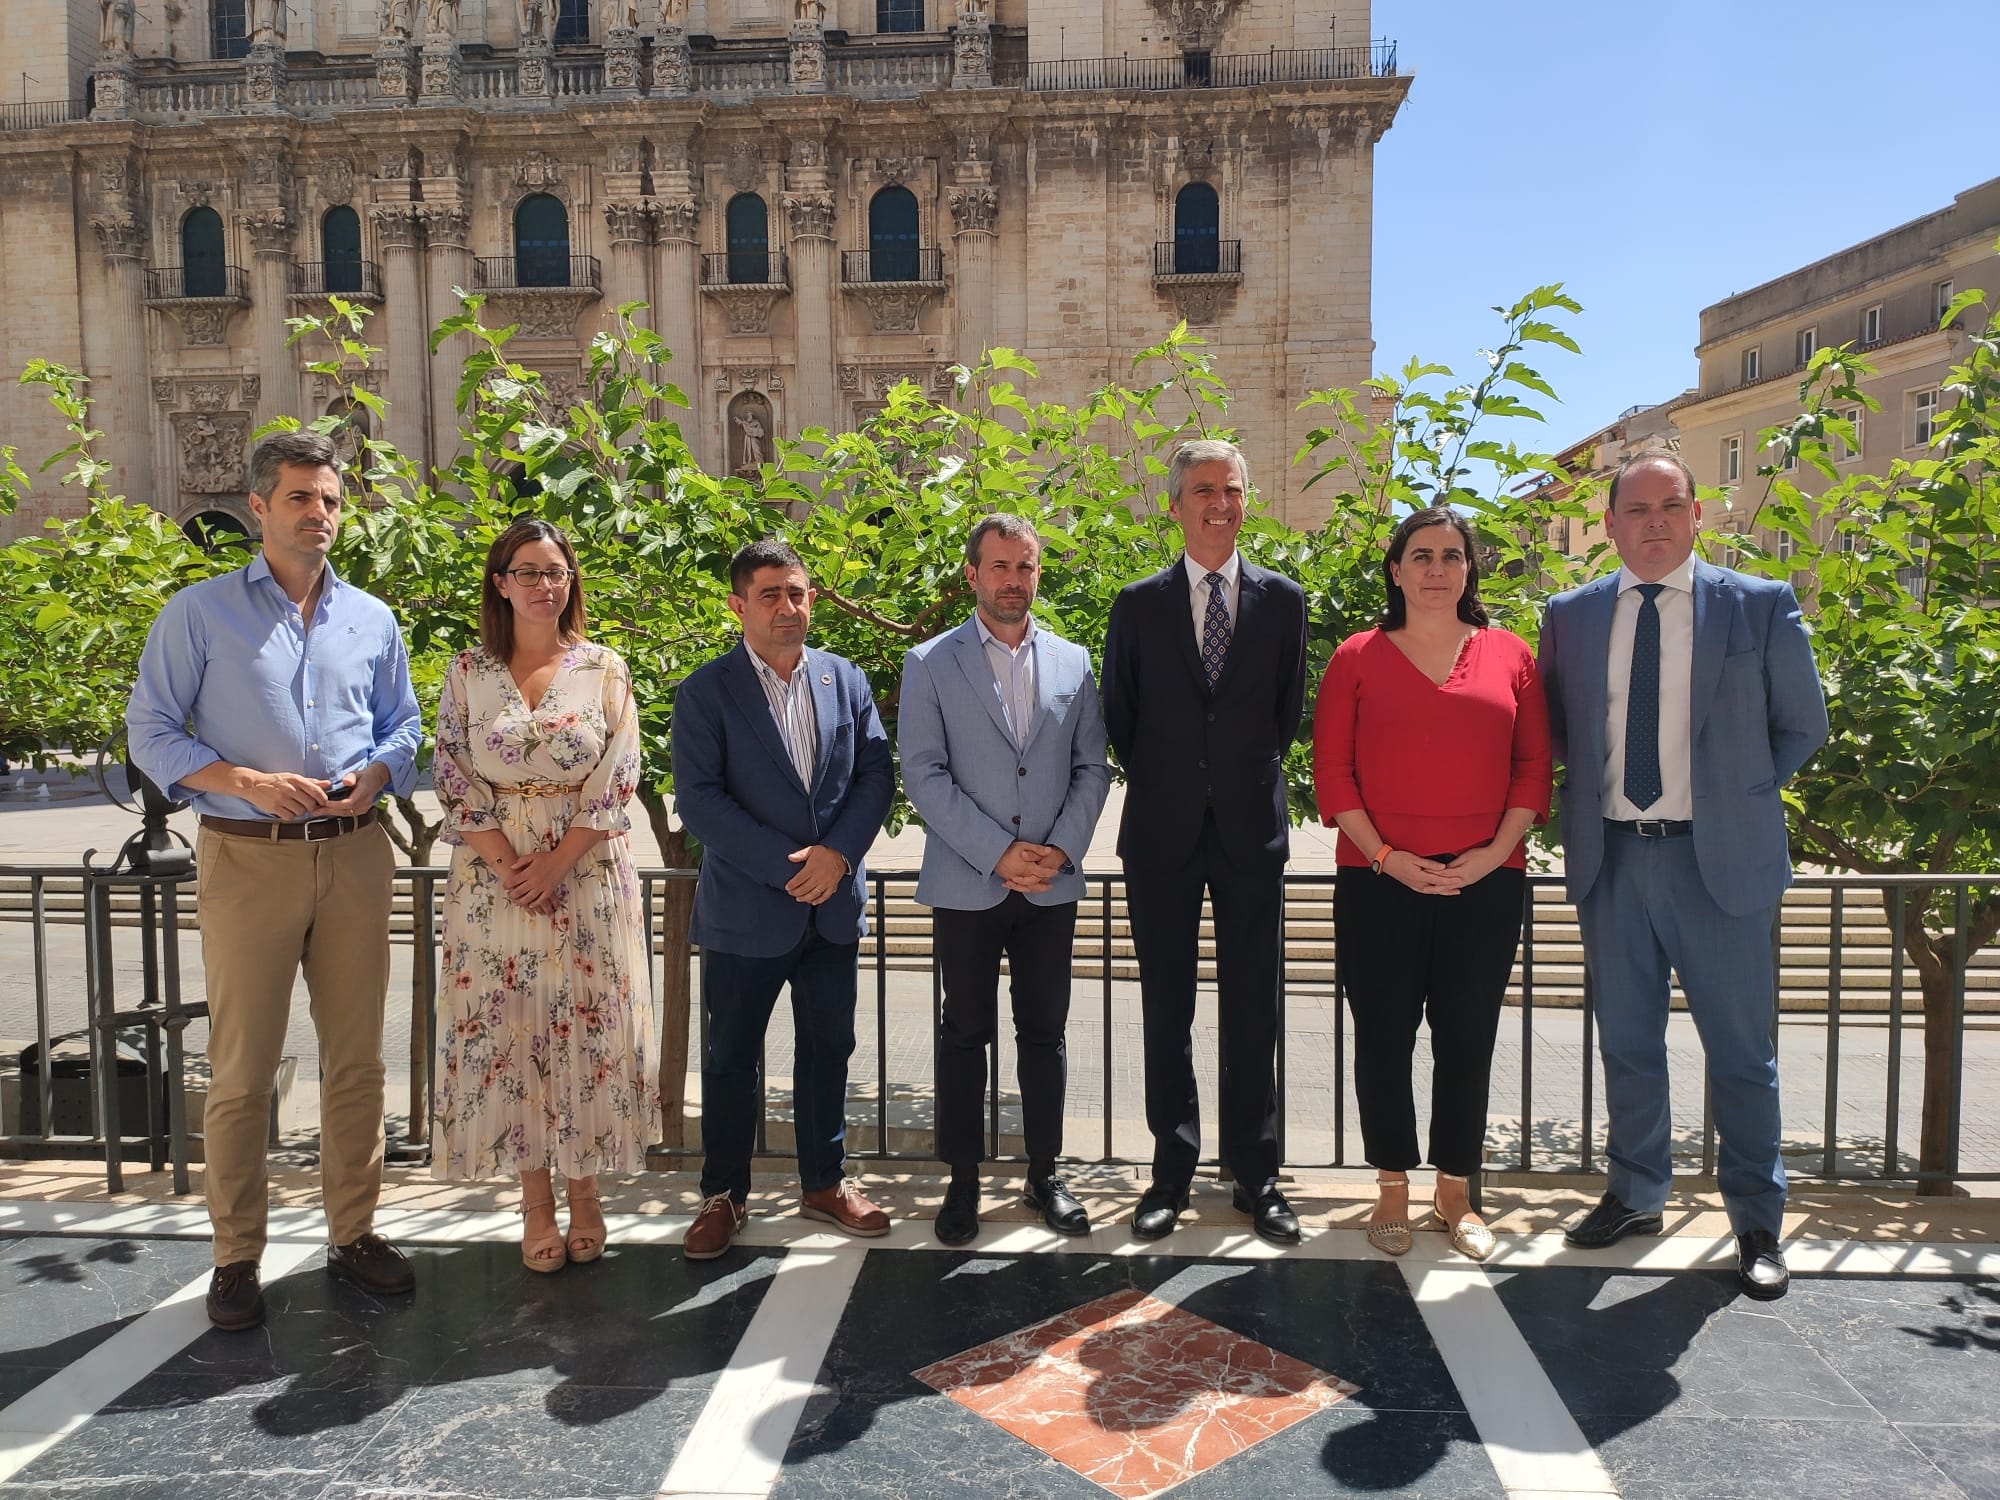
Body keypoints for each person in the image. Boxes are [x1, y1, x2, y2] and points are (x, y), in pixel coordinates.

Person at [127, 429, 422, 1330]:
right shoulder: (199, 614)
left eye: (331, 500)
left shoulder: (371, 618)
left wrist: (377, 774)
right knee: (243, 1068)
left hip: (356, 851)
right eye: (300, 498)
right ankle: (235, 1256)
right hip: (247, 857)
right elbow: (151, 731)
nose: (320, 514)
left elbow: (403, 729)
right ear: (258, 507)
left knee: (358, 1061)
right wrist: (247, 781)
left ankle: (354, 1233)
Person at [1539, 448, 1827, 1300]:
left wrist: (1736, 795)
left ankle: (1756, 1220)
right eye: (1636, 509)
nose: (1654, 522)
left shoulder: (1759, 606)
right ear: (1610, 525)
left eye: (1671, 505)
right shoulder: (1572, 614)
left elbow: (1801, 725)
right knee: (1628, 1044)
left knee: (1742, 1054)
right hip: (1615, 858)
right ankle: (1636, 1193)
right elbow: (1557, 728)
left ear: (1699, 515)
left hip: (1721, 862)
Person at [1312, 505, 1551, 1261]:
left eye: (1452, 555)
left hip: (1485, 880)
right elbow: (1332, 770)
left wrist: (1493, 853)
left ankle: (1456, 1189)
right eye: (1421, 555)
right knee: (1383, 1034)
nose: (1437, 568)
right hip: (1379, 879)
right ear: (1395, 570)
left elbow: (1533, 767)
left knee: (1467, 1036)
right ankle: (1390, 1185)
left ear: (1470, 570)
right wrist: (1386, 856)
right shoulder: (1355, 656)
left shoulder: (1511, 655)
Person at [429, 519, 660, 1272]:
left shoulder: (603, 667)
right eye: (526, 571)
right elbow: (454, 773)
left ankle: (586, 1192)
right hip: (493, 885)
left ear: (571, 582)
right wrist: (507, 865)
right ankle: (534, 1201)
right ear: (501, 583)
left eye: (555, 571)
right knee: (513, 1033)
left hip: (585, 873)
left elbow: (619, 771)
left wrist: (555, 863)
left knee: (587, 1032)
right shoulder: (467, 670)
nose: (542, 585)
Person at [1101, 438, 1309, 1245]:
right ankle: (1171, 1172)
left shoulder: (1283, 601)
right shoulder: (1137, 604)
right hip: (1162, 834)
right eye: (1201, 490)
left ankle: (1258, 1176)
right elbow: (1123, 717)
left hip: (1251, 834)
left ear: (1246, 500)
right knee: (1168, 1008)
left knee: (1254, 1006)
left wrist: (1232, 776)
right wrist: (1182, 777)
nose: (1218, 503)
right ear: (1175, 504)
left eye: (1231, 489)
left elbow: (1282, 717)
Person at [671, 538, 896, 1258]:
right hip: (747, 909)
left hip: (831, 907)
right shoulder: (706, 691)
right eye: (770, 594)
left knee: (829, 1049)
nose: (788, 607)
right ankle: (724, 1196)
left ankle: (824, 1183)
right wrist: (787, 866)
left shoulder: (845, 680)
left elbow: (875, 775)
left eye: (797, 592)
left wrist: (837, 857)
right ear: (738, 605)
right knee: (732, 1055)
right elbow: (699, 800)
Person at [899, 515, 1112, 1244]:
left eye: (1025, 568)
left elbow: (1092, 766)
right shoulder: (929, 662)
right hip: (969, 881)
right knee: (965, 1032)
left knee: (1045, 1034)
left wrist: (1059, 849)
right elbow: (922, 773)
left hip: (1051, 885)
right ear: (972, 575)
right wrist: (997, 851)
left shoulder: (1075, 662)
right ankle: (962, 1182)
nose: (1013, 580)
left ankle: (1044, 1173)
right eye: (1000, 567)